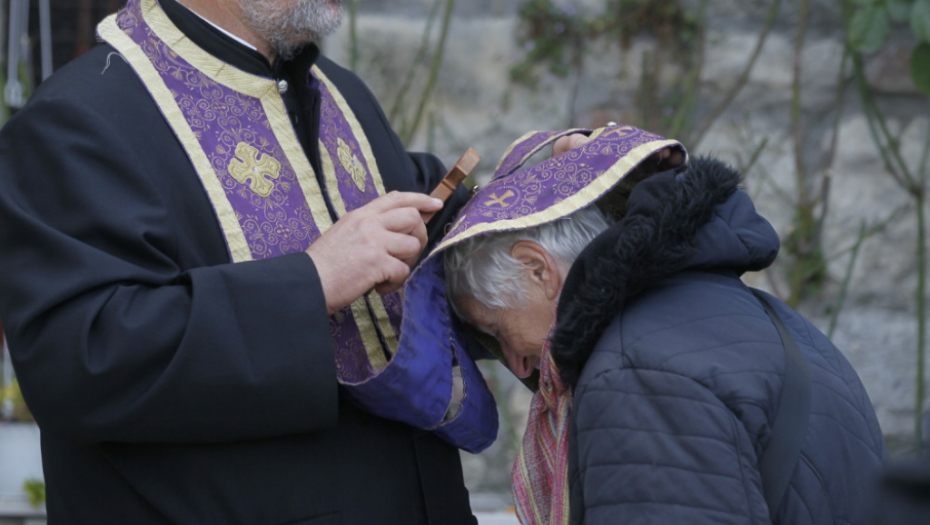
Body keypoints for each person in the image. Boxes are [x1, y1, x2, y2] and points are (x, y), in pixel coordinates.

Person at [0, 0, 511, 522]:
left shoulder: (340, 91)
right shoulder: (79, 116)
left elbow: (427, 245)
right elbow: (82, 363)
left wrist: (534, 216)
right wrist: (312, 282)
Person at [439, 126, 889, 524]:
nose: (517, 365)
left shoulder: (636, 373)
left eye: (496, 330)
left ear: (538, 269)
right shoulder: (749, 316)